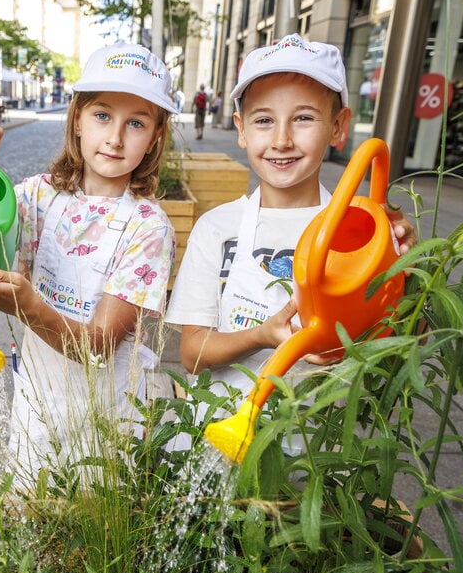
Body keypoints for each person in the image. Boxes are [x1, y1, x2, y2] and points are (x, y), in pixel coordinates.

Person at [0, 42, 177, 483]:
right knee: (31, 509)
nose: (115, 137)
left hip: (107, 418)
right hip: (35, 401)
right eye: (102, 115)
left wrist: (26, 306)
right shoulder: (39, 196)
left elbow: (98, 346)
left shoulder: (149, 227)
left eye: (135, 123)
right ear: (77, 118)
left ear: (155, 136)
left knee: (91, 528)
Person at [165, 34, 416, 452]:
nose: (281, 139)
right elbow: (192, 353)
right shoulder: (217, 228)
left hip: (316, 455)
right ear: (241, 129)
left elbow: (404, 347)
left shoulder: (362, 233)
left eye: (302, 118)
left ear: (338, 127)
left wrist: (410, 267)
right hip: (214, 437)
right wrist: (263, 335)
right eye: (263, 120)